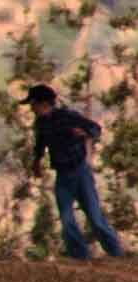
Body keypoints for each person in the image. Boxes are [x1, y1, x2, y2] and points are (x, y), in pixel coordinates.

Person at [24, 83, 125, 261]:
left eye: (32, 104)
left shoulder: (67, 116)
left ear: (43, 103)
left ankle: (117, 254)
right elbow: (40, 145)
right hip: (63, 176)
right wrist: (36, 163)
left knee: (95, 219)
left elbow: (95, 128)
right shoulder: (41, 124)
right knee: (66, 218)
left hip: (80, 173)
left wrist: (85, 133)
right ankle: (80, 257)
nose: (31, 108)